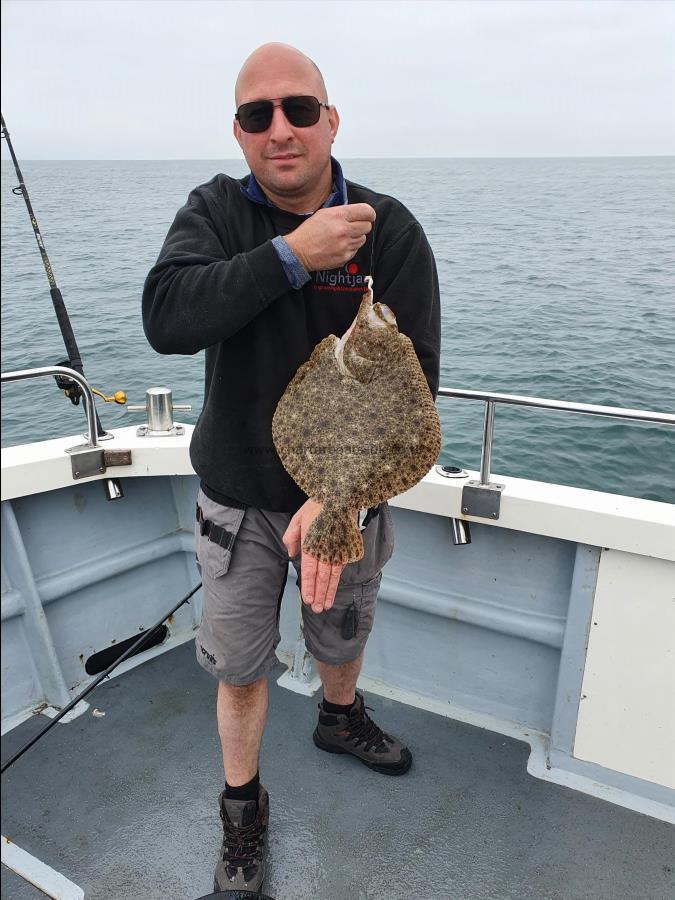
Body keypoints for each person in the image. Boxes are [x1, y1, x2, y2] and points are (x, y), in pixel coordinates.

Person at [142, 42, 440, 894]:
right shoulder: (215, 213)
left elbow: (414, 383)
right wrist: (291, 257)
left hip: (345, 503)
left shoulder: (391, 228)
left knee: (341, 633)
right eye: (256, 115)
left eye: (299, 110)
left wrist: (332, 496)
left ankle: (338, 718)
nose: (280, 129)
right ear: (238, 134)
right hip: (237, 500)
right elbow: (166, 317)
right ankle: (242, 808)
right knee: (238, 667)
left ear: (330, 120)